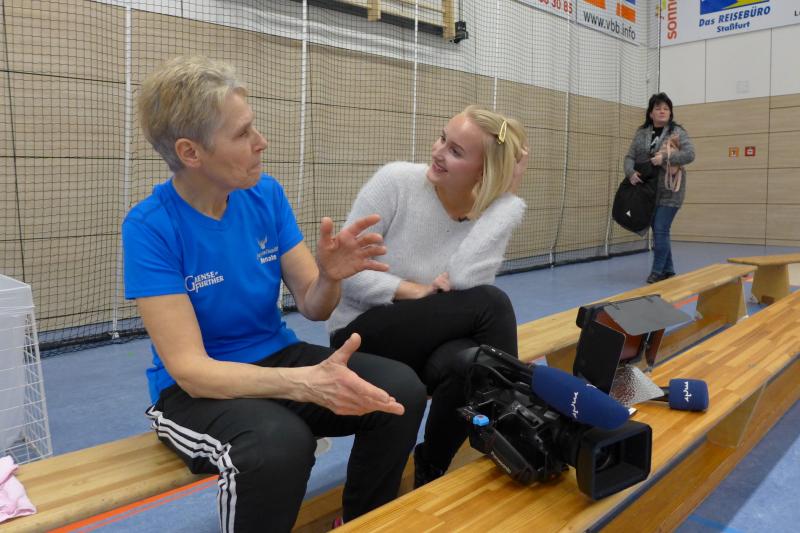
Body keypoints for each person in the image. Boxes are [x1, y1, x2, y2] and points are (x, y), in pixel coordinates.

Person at [121, 56, 427, 533]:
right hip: (194, 391)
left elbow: (314, 305)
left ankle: (360, 521)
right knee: (279, 446)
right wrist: (303, 384)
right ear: (191, 152)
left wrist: (330, 277)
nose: (261, 142)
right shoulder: (150, 226)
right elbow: (192, 370)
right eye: (243, 133)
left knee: (400, 390)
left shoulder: (265, 194)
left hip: (276, 355)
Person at [326, 105, 529, 487]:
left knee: (469, 363)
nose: (438, 152)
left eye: (456, 151)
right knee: (494, 303)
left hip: (429, 341)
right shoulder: (396, 182)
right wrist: (413, 291)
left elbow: (465, 282)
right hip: (361, 330)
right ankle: (515, 424)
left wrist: (506, 200)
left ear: (483, 171)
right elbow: (346, 274)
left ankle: (430, 467)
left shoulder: (488, 215)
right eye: (442, 138)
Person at [624, 92, 695, 284]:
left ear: (670, 113)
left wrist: (665, 157)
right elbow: (630, 157)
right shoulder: (641, 133)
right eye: (658, 108)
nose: (662, 111)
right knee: (659, 229)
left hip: (671, 190)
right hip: (649, 191)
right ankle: (668, 269)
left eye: (666, 108)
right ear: (651, 113)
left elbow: (690, 154)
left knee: (661, 228)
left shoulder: (677, 132)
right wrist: (630, 172)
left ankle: (657, 272)